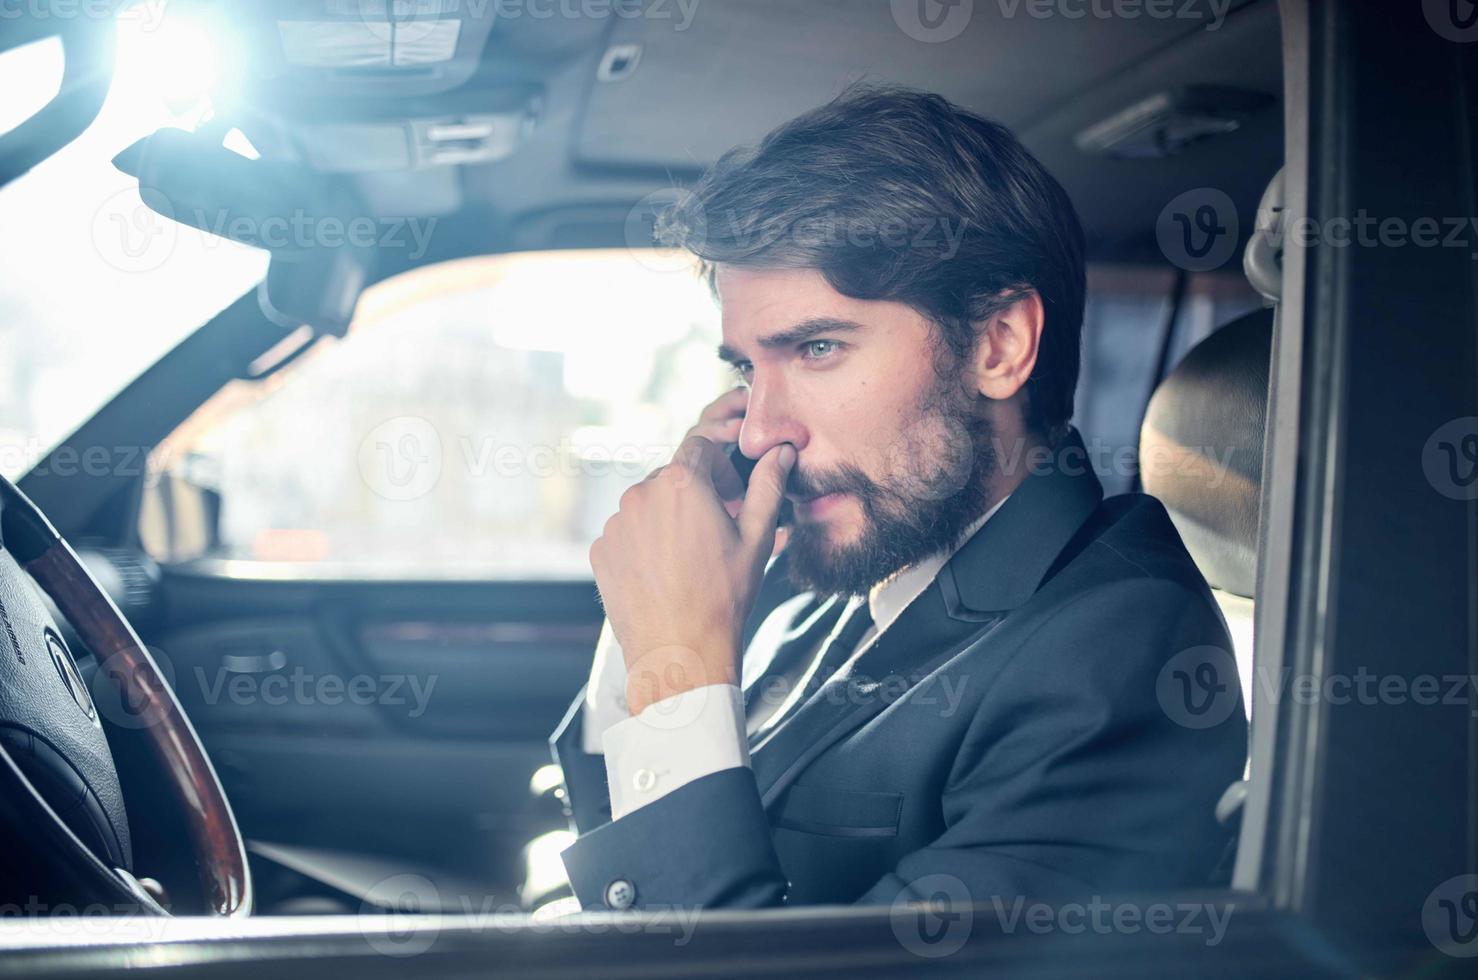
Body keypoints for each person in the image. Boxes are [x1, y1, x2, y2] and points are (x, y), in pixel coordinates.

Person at [550, 85, 1246, 911]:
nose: (757, 432)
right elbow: (621, 874)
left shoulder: (1119, 651)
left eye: (816, 348)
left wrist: (680, 675)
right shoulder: (848, 577)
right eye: (745, 369)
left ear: (999, 345)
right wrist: (650, 633)